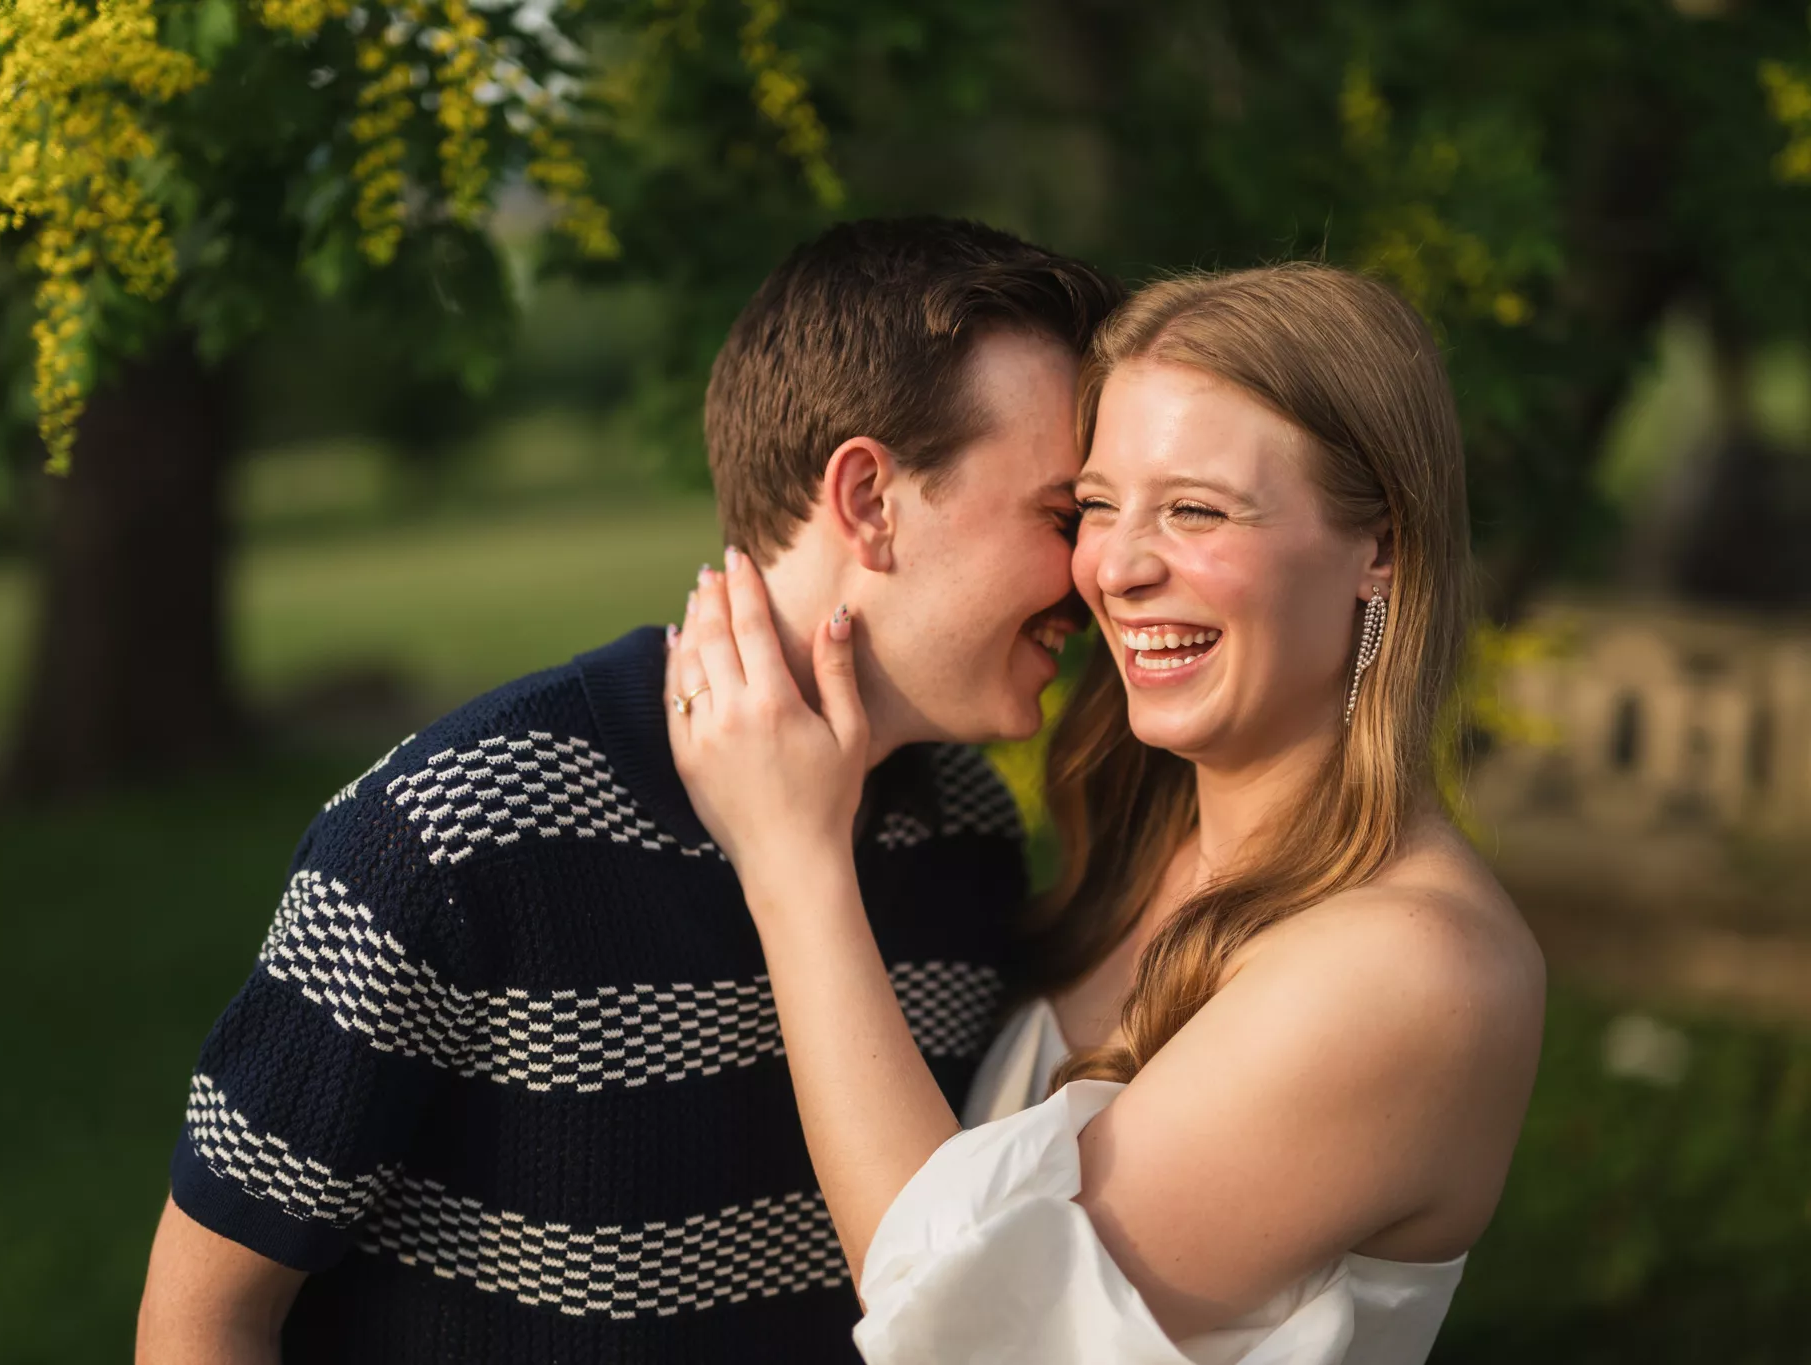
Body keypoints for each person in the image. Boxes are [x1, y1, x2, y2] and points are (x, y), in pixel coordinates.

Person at [132, 217, 1119, 1365]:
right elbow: (206, 1314)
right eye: (1063, 516)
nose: (1096, 574)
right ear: (868, 502)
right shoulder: (455, 832)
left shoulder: (964, 834)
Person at [665, 263, 1547, 1365]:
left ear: (1381, 549)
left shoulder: (1412, 968)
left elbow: (971, 1336)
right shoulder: (1133, 842)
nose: (1114, 569)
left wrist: (793, 863)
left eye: (1193, 510)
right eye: (1091, 506)